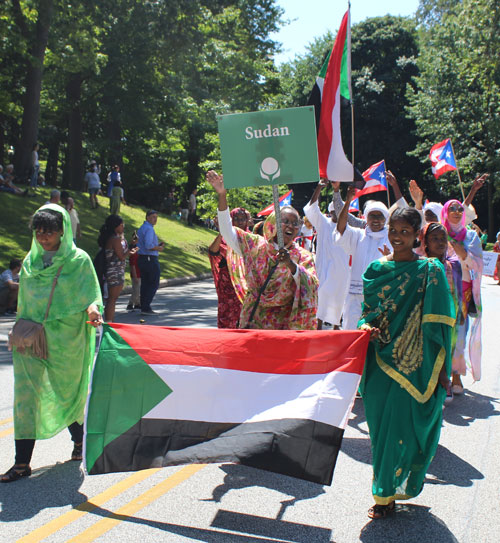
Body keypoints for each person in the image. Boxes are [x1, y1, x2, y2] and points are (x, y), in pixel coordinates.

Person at [358, 207, 454, 518]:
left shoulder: (431, 271)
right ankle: (386, 486)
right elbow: (367, 314)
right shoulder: (376, 270)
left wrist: (442, 370)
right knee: (379, 431)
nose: (397, 236)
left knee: (400, 427)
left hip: (415, 364)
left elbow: (441, 326)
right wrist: (364, 327)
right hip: (379, 361)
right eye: (393, 229)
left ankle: (384, 495)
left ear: (416, 236)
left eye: (404, 232)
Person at [1, 204, 102, 483]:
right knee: (25, 398)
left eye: (50, 232)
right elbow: (27, 300)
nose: (44, 237)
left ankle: (80, 443)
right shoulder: (31, 261)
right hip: (30, 338)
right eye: (40, 231)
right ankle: (22, 463)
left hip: (65, 339)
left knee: (65, 392)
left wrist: (93, 310)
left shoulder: (79, 260)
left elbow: (90, 294)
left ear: (63, 231)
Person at [207, 170, 318, 330]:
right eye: (285, 221)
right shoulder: (254, 245)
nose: (290, 226)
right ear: (273, 222)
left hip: (282, 325)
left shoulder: (303, 256)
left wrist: (291, 264)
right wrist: (222, 194)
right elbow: (226, 230)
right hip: (253, 320)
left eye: (295, 224)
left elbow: (312, 285)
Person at [333, 185, 391, 330]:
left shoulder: (391, 236)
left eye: (380, 216)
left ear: (385, 218)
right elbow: (341, 228)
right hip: (356, 296)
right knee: (352, 332)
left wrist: (389, 257)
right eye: (372, 216)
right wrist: (347, 202)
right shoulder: (359, 234)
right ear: (366, 217)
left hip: (381, 296)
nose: (376, 220)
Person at [441, 199, 483, 393]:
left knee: (459, 333)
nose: (457, 212)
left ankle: (456, 375)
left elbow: (477, 264)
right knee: (440, 331)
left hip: (463, 291)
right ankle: (439, 376)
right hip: (441, 288)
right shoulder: (438, 233)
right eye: (452, 209)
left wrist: (461, 251)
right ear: (445, 212)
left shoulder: (472, 236)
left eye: (460, 209)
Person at [304, 180, 350, 329]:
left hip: (342, 271)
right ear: (330, 213)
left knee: (339, 298)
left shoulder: (349, 228)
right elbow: (312, 208)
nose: (336, 214)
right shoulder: (323, 223)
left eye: (339, 211)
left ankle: (336, 328)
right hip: (324, 269)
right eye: (334, 212)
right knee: (321, 298)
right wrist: (318, 188)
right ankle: (318, 327)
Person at [208, 209, 250, 329]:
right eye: (236, 219)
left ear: (247, 220)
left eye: (243, 219)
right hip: (228, 286)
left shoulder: (252, 239)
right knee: (227, 319)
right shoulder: (224, 238)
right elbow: (213, 251)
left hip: (246, 286)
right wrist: (223, 232)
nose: (240, 222)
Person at [98, 215, 136, 322]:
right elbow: (121, 256)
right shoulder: (115, 239)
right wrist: (129, 251)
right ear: (115, 226)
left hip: (112, 270)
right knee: (112, 299)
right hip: (115, 272)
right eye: (121, 225)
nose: (123, 226)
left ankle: (110, 322)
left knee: (112, 299)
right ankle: (109, 323)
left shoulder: (110, 238)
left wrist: (130, 248)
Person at [137, 210, 164, 315]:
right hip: (149, 258)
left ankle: (144, 306)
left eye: (156, 217)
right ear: (147, 217)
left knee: (145, 283)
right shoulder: (149, 229)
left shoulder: (142, 228)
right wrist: (159, 248)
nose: (155, 219)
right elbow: (149, 246)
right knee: (153, 282)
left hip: (142, 258)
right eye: (153, 217)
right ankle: (146, 306)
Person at [126, 231, 141, 311]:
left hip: (139, 273)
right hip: (136, 274)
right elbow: (132, 265)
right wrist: (135, 276)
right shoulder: (132, 252)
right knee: (136, 290)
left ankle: (138, 303)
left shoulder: (137, 251)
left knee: (138, 289)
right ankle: (130, 303)